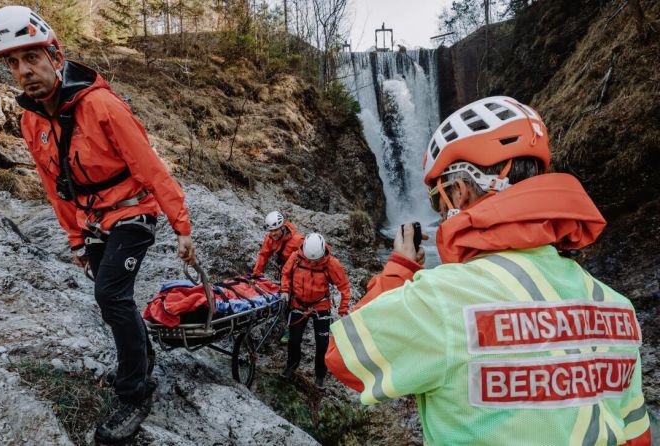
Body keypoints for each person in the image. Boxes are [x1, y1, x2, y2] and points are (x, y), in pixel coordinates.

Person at [325, 96, 652, 445]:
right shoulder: (616, 307)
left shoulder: (441, 299)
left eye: (438, 198)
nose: (439, 210)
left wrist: (400, 267)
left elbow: (343, 356)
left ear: (461, 191)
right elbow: (637, 435)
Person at [0, 6, 196, 444]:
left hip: (133, 212)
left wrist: (182, 226)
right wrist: (76, 240)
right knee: (112, 297)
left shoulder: (102, 105)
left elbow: (151, 167)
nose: (24, 72)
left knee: (110, 294)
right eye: (14, 63)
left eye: (32, 58)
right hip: (93, 219)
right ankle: (143, 357)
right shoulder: (31, 120)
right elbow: (54, 187)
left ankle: (135, 392)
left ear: (56, 57)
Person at [280, 233, 350, 389]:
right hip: (298, 304)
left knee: (322, 344)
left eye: (316, 260)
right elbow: (286, 274)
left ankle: (320, 375)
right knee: (294, 340)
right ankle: (291, 366)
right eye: (309, 259)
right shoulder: (296, 258)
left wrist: (343, 308)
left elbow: (344, 286)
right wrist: (284, 290)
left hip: (321, 306)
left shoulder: (331, 263)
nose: (312, 262)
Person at [253, 211, 304, 344]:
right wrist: (256, 274)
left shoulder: (297, 240)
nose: (273, 233)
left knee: (294, 302)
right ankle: (284, 320)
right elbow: (263, 255)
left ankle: (291, 329)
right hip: (284, 271)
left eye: (276, 230)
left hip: (297, 273)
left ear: (282, 227)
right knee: (284, 299)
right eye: (271, 231)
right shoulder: (270, 238)